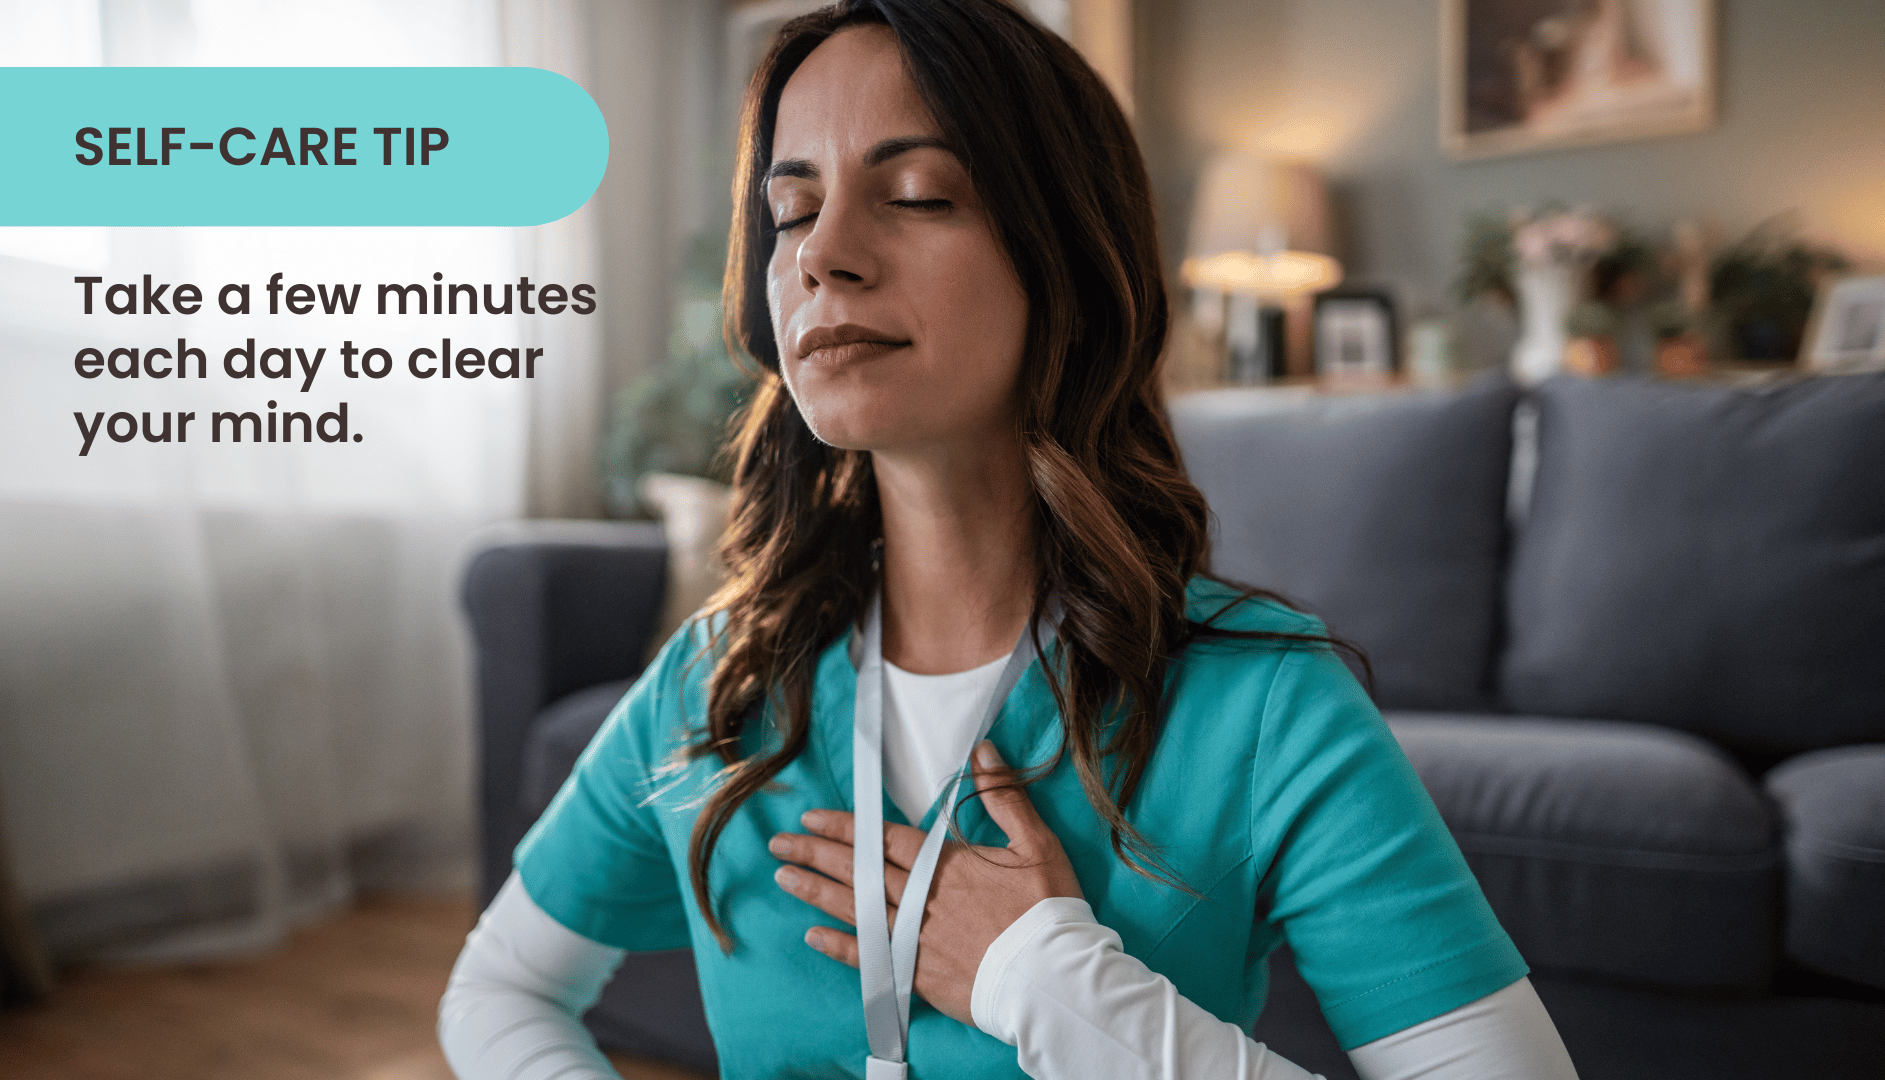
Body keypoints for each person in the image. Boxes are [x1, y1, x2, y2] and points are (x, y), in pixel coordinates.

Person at [438, 2, 1580, 1078]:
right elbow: (495, 993)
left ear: (1067, 258)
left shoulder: (1263, 703)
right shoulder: (719, 678)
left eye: (920, 193)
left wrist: (1053, 988)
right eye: (791, 210)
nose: (823, 253)